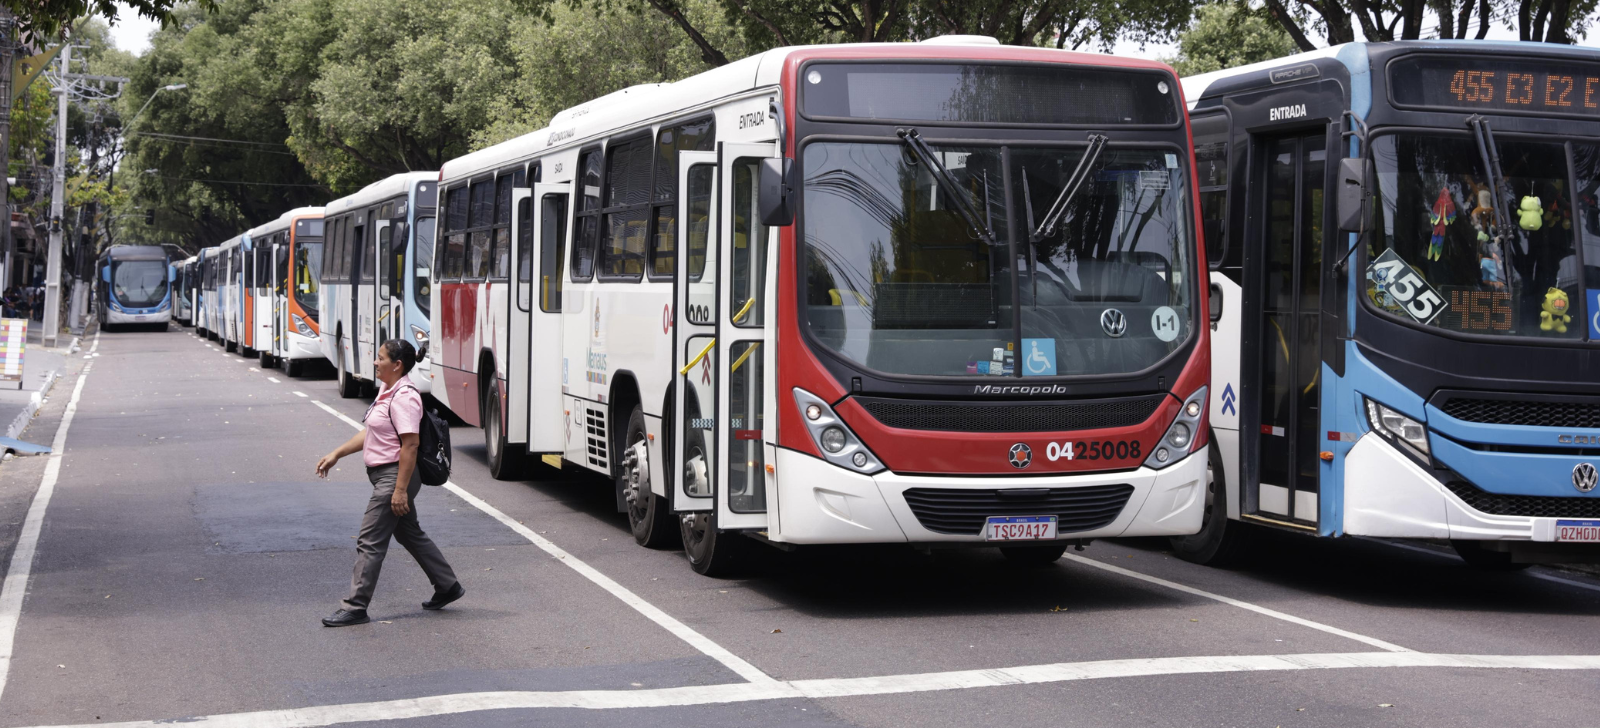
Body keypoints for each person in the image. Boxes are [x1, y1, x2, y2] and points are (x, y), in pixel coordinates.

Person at [315, 339, 462, 626]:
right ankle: (448, 586)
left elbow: (410, 446)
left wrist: (399, 491)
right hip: (389, 476)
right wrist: (337, 454)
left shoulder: (405, 397)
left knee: (370, 540)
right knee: (408, 532)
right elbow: (371, 432)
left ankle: (356, 606)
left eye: (380, 358)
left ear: (397, 365)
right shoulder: (387, 388)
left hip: (396, 476)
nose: (375, 362)